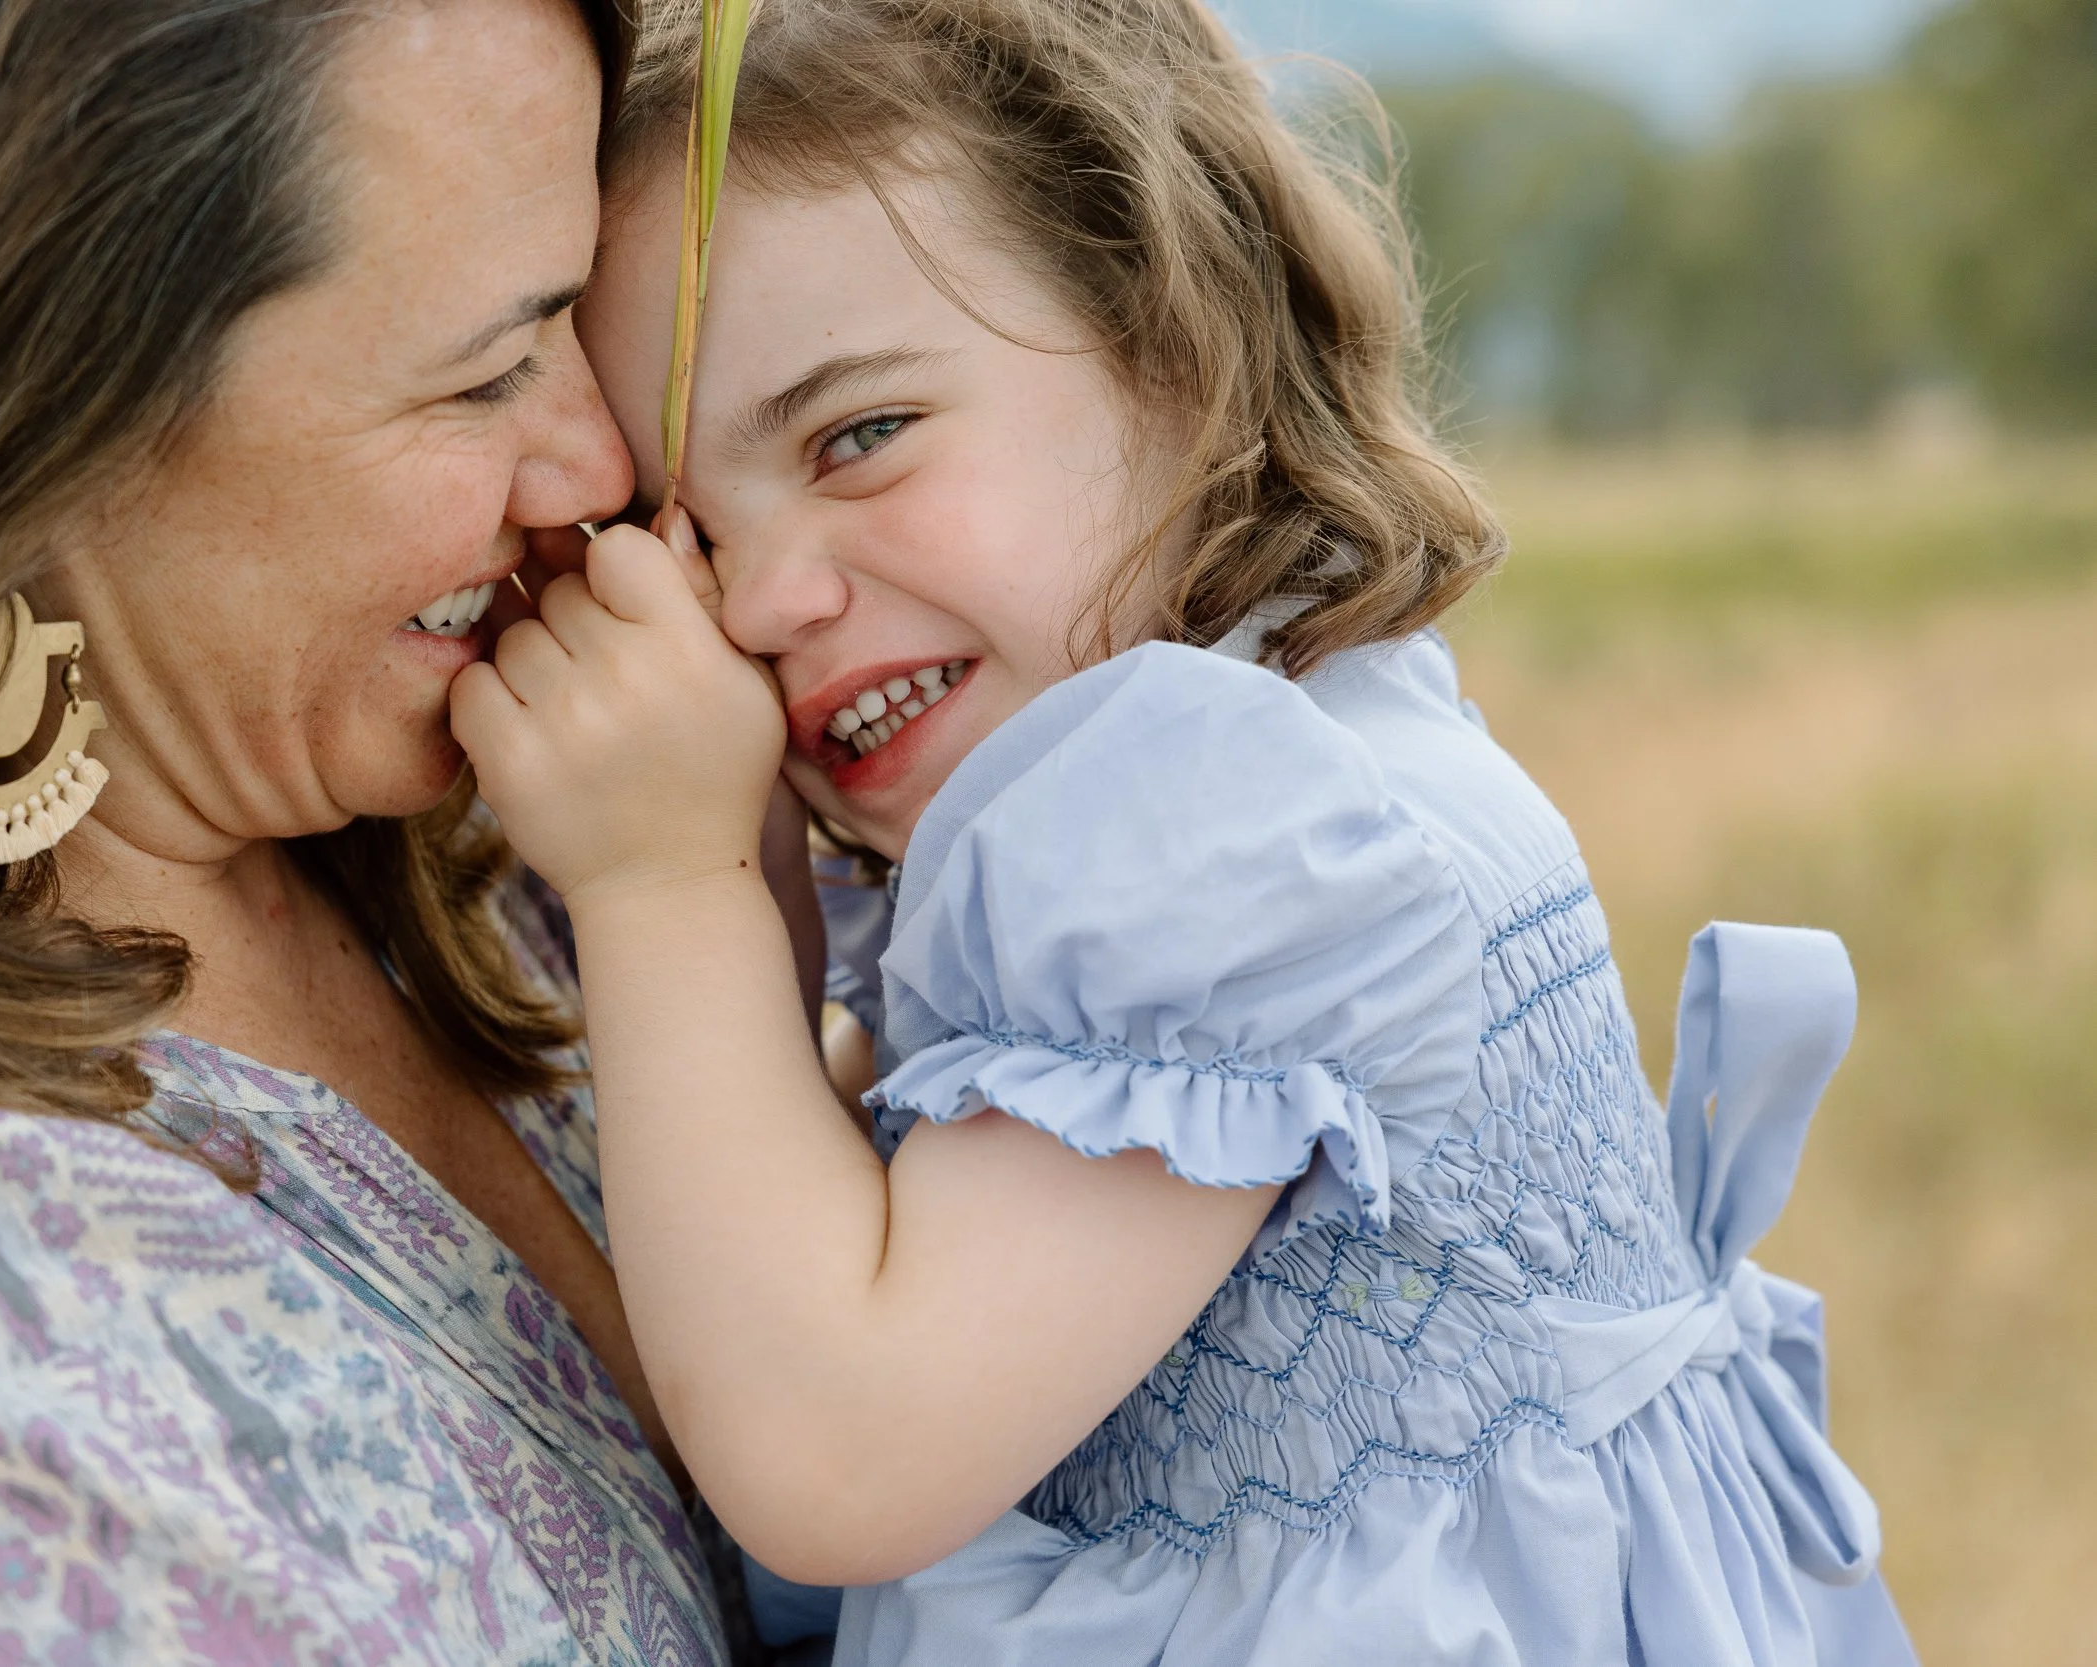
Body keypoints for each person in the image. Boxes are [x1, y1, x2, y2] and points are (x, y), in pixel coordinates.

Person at [451, 0, 1921, 1660]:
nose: (768, 600)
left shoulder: (1212, 841)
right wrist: (750, 883)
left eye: (858, 436)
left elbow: (837, 1448)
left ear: (1175, 341)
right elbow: (828, 1241)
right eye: (690, 540)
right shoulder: (1285, 741)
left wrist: (665, 883)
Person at [0, 0, 765, 1660]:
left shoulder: (523, 846)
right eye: (488, 369)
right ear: (34, 416)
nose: (594, 463)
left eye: (582, 316)